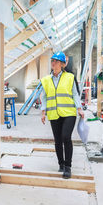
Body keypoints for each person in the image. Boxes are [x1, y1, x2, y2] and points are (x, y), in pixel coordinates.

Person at [39, 51, 85, 179]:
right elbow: (45, 97)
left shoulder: (70, 77)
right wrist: (43, 112)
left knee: (66, 137)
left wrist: (79, 108)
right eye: (52, 61)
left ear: (62, 64)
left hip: (69, 113)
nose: (53, 63)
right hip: (54, 113)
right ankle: (61, 163)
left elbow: (75, 94)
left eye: (56, 61)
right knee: (58, 141)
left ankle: (68, 167)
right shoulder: (46, 80)